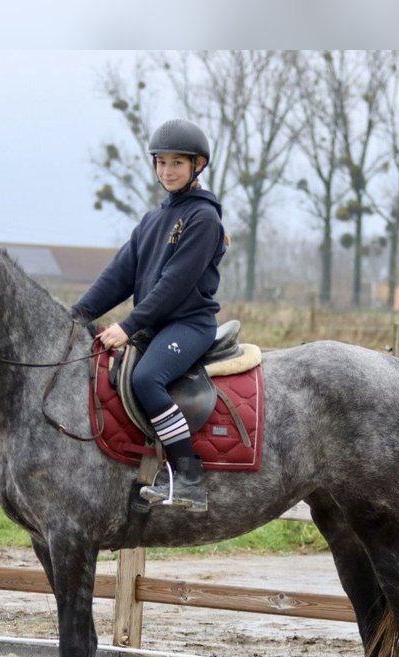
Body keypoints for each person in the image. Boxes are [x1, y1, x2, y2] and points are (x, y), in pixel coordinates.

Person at [72, 118, 227, 513]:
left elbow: (174, 284)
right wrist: (75, 316)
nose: (167, 171)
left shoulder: (203, 219)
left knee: (146, 378)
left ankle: (189, 476)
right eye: (161, 162)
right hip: (155, 326)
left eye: (177, 163)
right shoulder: (153, 220)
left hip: (189, 325)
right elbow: (118, 276)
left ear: (199, 165)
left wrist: (127, 326)